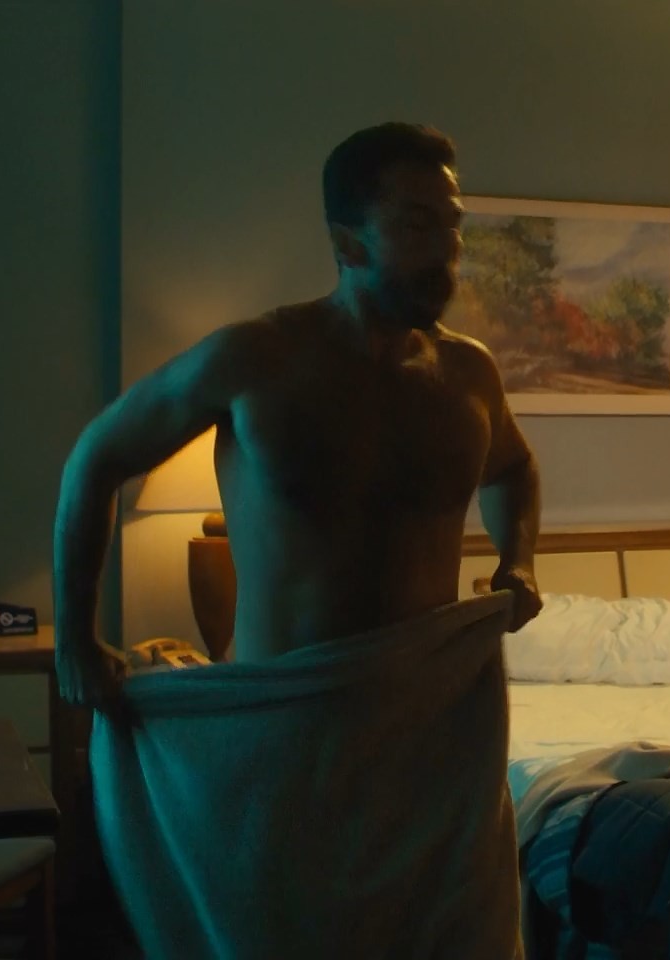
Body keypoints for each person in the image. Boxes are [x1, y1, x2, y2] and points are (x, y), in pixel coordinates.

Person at [53, 122, 544, 707]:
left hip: (431, 705)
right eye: (417, 225)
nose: (446, 248)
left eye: (452, 223)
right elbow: (97, 457)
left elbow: (513, 468)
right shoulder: (255, 359)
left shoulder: (469, 373)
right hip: (286, 708)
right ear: (347, 243)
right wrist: (75, 641)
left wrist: (519, 562)